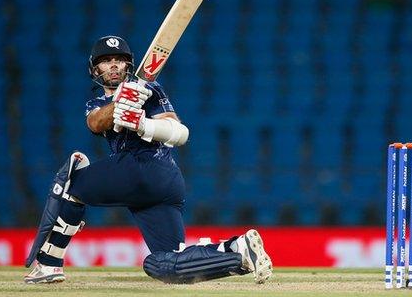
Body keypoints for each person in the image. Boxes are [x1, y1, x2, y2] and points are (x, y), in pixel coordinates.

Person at [24, 35, 273, 284]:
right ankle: (237, 250)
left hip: (146, 167)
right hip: (159, 184)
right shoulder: (97, 102)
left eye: (119, 60)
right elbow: (95, 122)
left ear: (128, 65)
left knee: (71, 183)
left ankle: (49, 264)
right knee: (165, 265)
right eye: (106, 60)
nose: (113, 65)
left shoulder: (149, 89)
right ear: (95, 68)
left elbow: (179, 133)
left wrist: (143, 124)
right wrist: (120, 103)